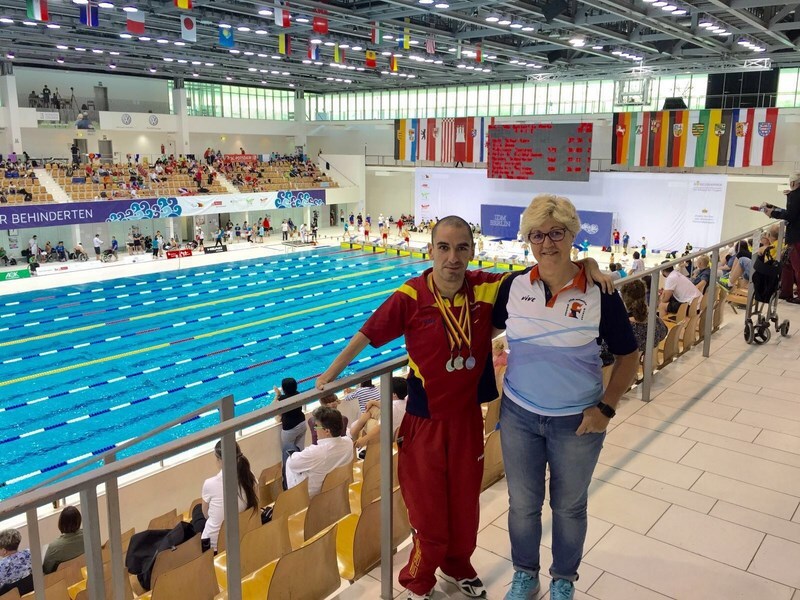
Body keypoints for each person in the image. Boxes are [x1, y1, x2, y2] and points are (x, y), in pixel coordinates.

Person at [315, 215, 611, 600]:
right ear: (431, 249)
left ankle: (457, 570)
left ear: (472, 251)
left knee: (465, 510)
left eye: (461, 248)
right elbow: (367, 334)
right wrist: (329, 375)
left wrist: (588, 264)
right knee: (429, 516)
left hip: (468, 419)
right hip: (424, 423)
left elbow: (546, 268)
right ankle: (417, 583)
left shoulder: (487, 288)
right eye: (444, 247)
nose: (452, 257)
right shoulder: (411, 295)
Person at [492, 194, 639, 600]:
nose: (547, 243)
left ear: (572, 235)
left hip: (577, 421)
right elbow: (476, 328)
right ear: (528, 240)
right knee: (522, 505)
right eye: (537, 235)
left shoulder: (599, 291)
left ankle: (563, 580)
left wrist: (607, 408)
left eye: (556, 233)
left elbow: (629, 356)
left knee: (569, 507)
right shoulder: (514, 286)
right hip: (520, 415)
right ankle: (525, 574)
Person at [191, 441, 258, 552]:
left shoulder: (210, 484)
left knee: (197, 510)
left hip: (214, 546)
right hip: (243, 535)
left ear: (220, 460)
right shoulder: (251, 478)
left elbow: (206, 515)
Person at [285, 406, 354, 497]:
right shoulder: (348, 443)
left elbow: (292, 464)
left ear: (326, 431)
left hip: (310, 496)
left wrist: (301, 454)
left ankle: (285, 492)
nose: (315, 430)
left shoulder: (316, 452)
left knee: (288, 450)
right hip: (336, 488)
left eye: (316, 427)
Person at [763, 172, 800, 302]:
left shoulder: (795, 195)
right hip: (794, 237)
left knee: (796, 266)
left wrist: (773, 213)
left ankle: (792, 294)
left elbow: (790, 215)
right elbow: (791, 212)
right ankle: (785, 292)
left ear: (793, 183)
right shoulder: (794, 195)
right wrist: (773, 209)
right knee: (788, 265)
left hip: (796, 237)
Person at [620, 279, 667, 355]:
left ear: (623, 298)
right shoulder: (654, 320)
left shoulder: (623, 329)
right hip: (648, 361)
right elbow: (663, 333)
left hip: (628, 364)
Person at [274, 377, 307, 484]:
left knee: (287, 455)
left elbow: (272, 408)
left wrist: (277, 395)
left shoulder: (282, 399)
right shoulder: (298, 394)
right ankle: (302, 477)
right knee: (300, 451)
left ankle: (287, 481)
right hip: (302, 424)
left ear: (283, 388)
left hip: (289, 429)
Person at [42, 507, 84, 574]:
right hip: (83, 574)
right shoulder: (89, 536)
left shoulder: (54, 547)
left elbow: (47, 570)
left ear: (61, 523)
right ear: (79, 520)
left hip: (62, 580)